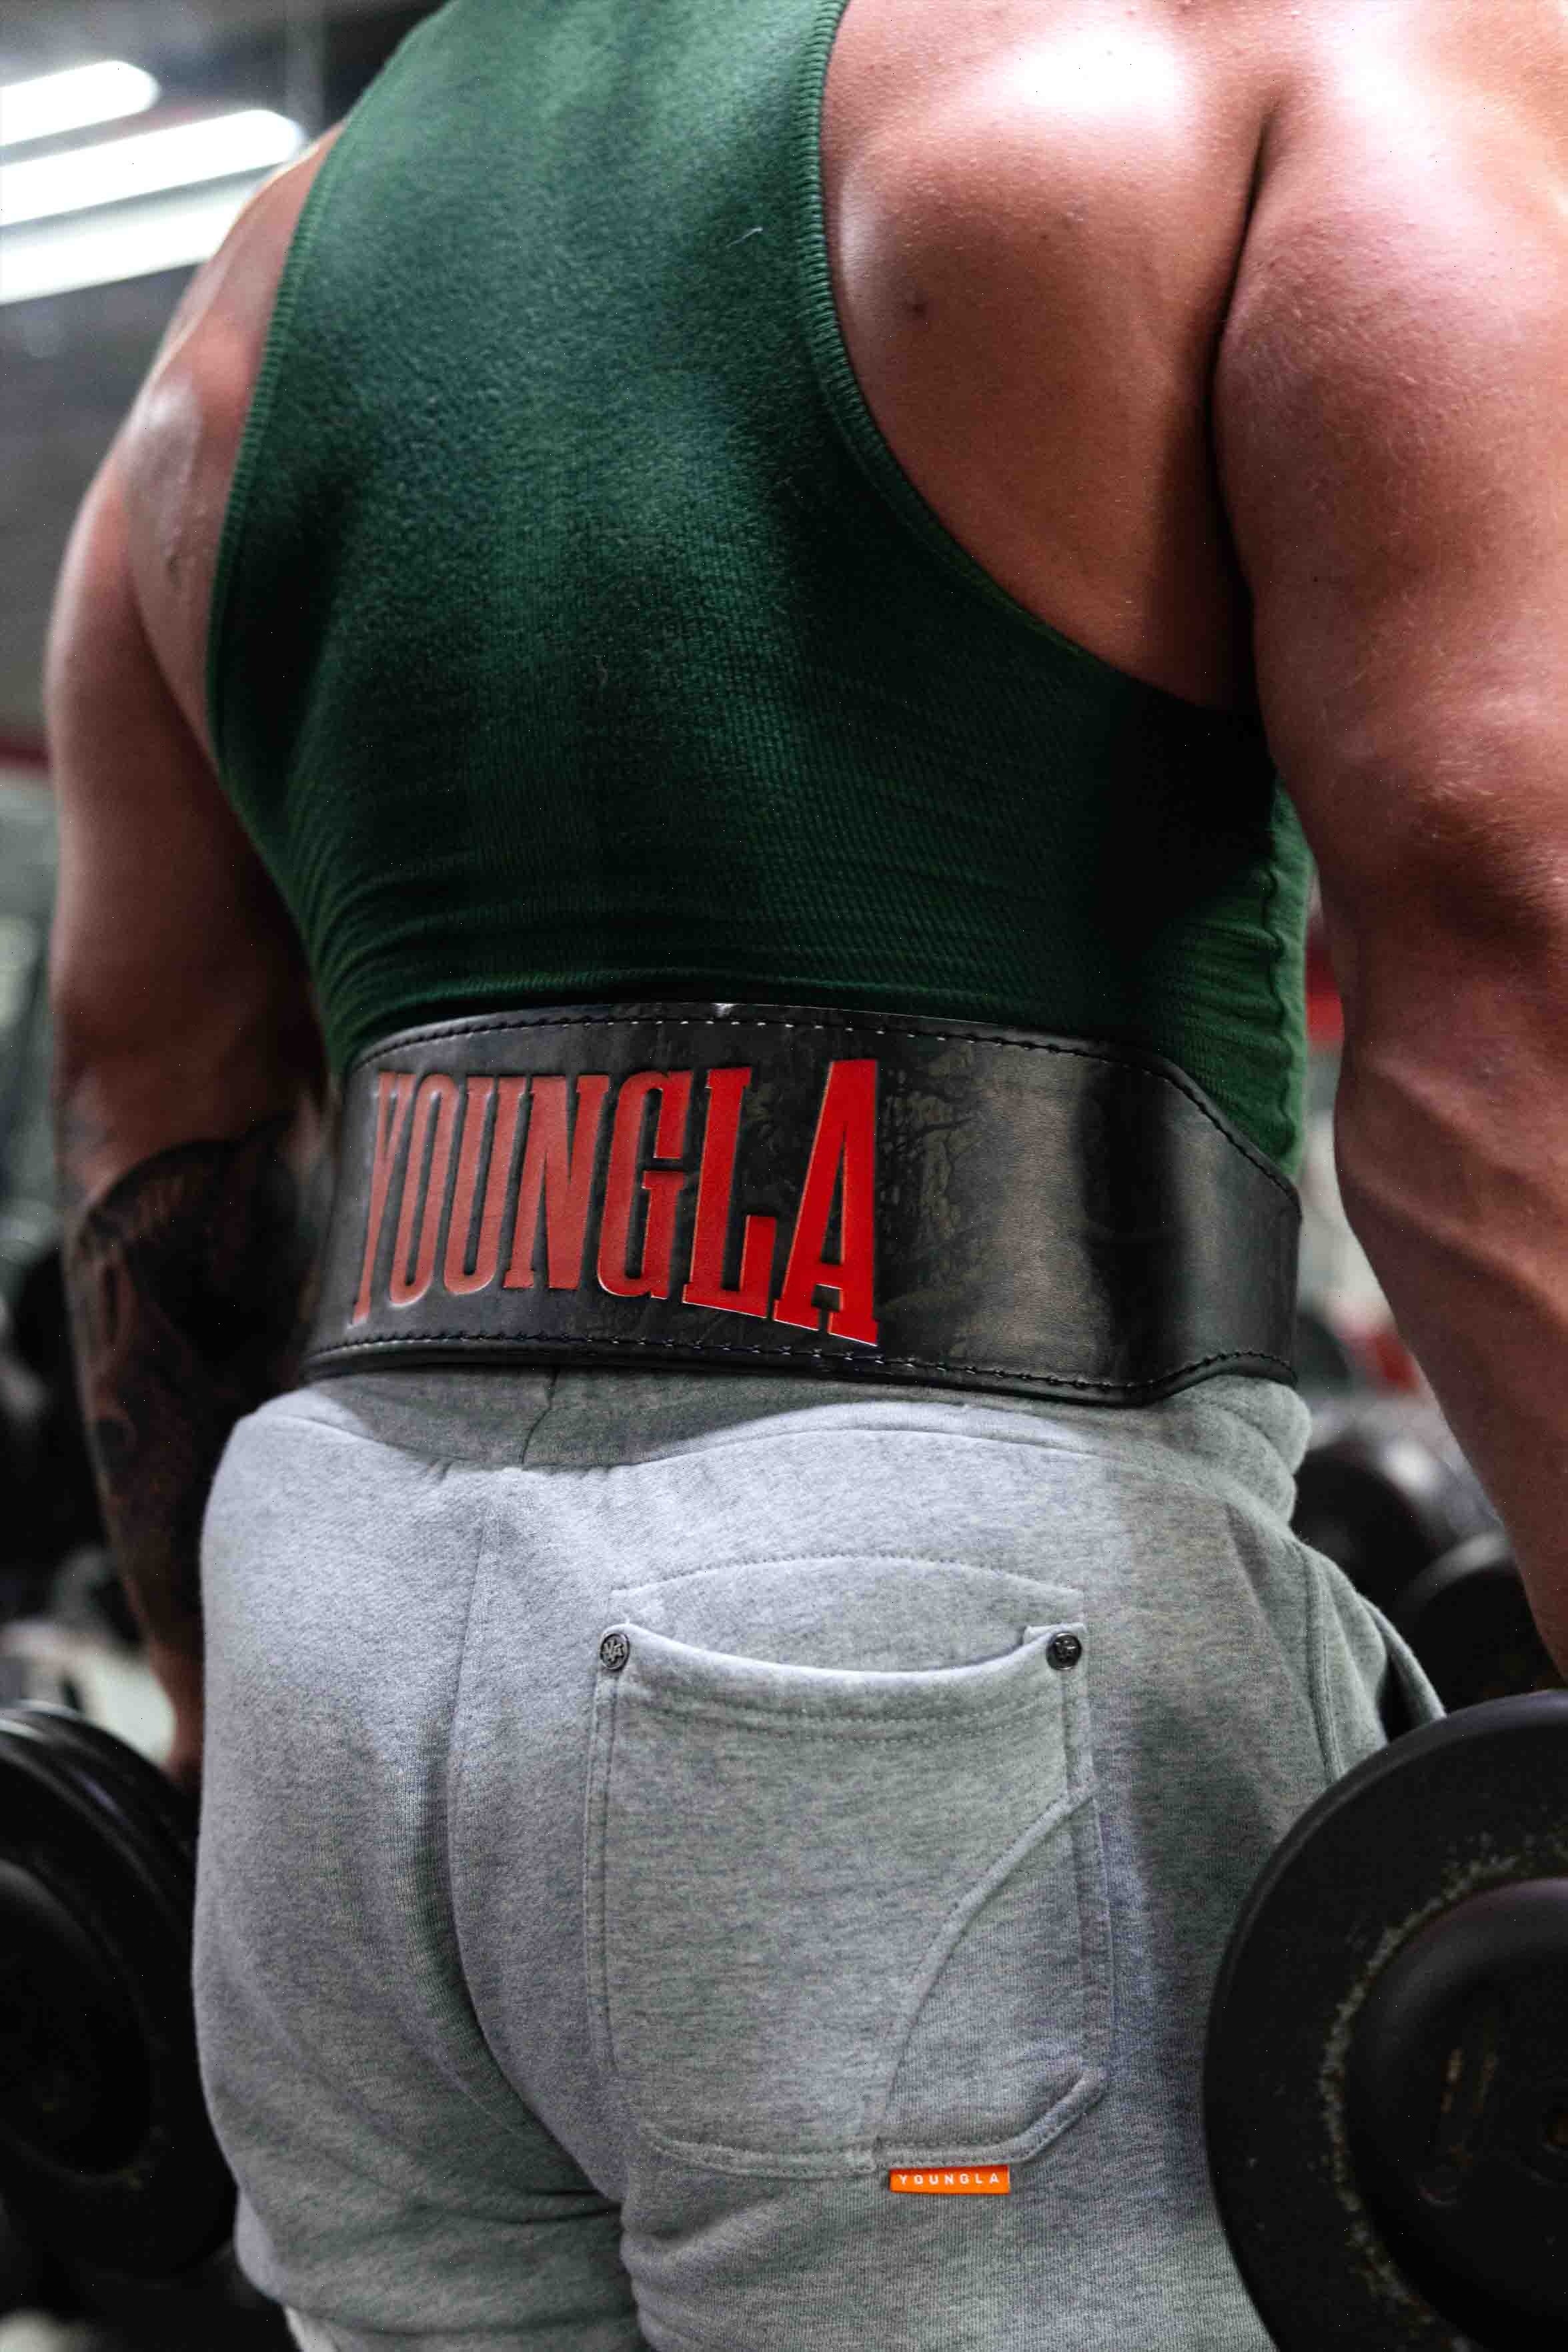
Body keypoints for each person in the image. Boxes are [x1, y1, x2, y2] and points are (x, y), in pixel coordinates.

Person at [42, 0, 1568, 2344]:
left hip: (331, 1683)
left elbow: (151, 1095)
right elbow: (1502, 938)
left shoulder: (244, 299)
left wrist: (222, 1705)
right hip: (910, 1703)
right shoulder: (1280, 56)